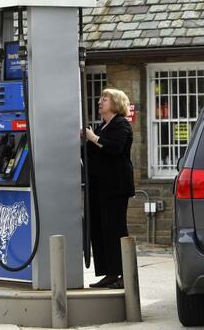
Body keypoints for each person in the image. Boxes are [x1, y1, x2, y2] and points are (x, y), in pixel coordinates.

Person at [81, 88, 135, 289]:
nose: (100, 101)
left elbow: (115, 148)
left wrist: (92, 138)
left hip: (115, 187)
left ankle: (121, 273)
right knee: (100, 229)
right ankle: (109, 273)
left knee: (114, 229)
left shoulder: (121, 125)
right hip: (98, 186)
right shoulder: (101, 126)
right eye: (100, 98)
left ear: (116, 103)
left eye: (105, 99)